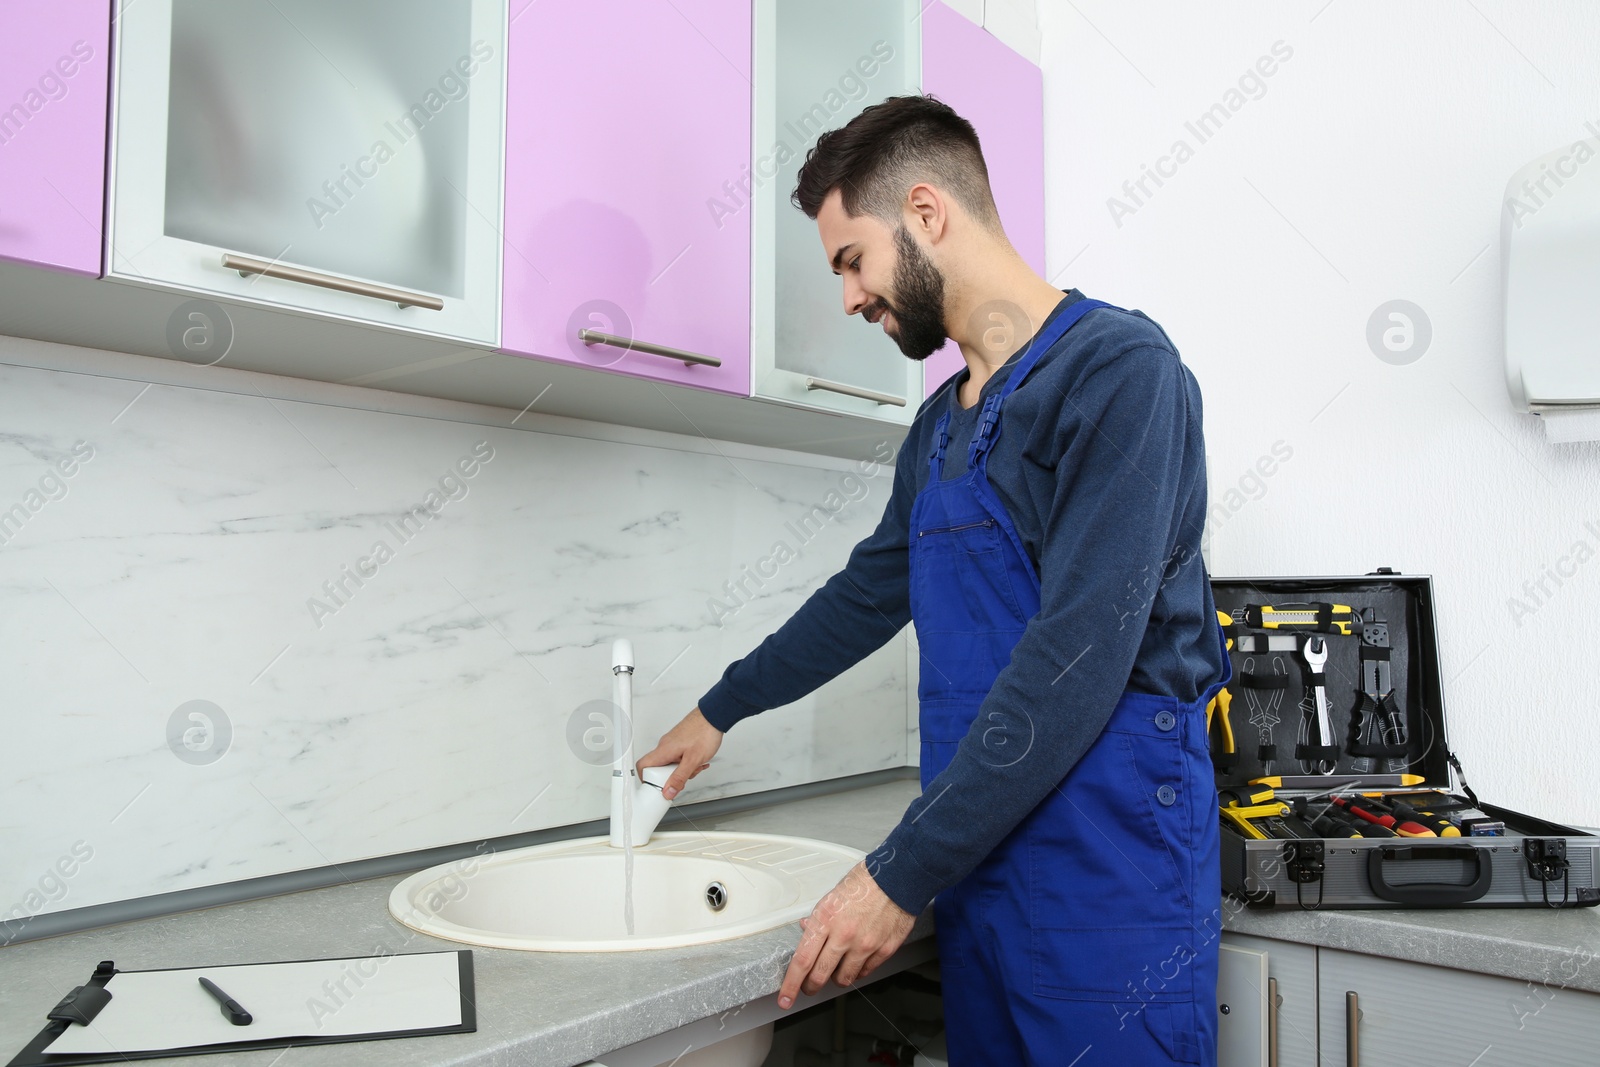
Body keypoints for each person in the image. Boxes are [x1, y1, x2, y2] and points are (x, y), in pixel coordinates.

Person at [637, 94, 1231, 1066]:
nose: (849, 299)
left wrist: (900, 871)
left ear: (924, 211)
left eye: (850, 260)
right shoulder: (940, 426)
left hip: (1106, 877)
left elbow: (1076, 654)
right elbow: (869, 593)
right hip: (979, 860)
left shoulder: (1121, 374)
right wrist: (718, 709)